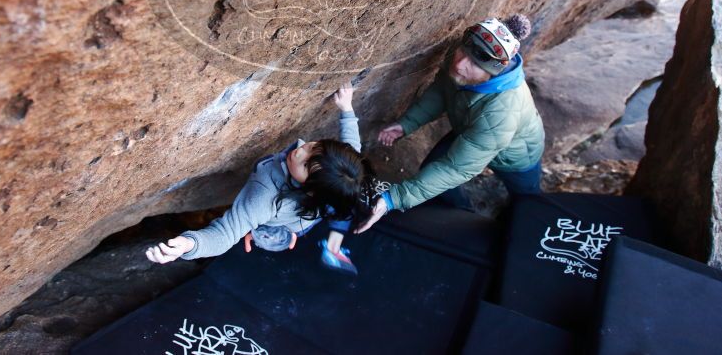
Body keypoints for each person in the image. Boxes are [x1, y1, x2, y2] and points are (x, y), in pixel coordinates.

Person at [145, 81, 377, 269]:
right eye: (314, 147)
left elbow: (227, 233)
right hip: (313, 208)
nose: (301, 151)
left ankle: (274, 237)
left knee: (269, 235)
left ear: (310, 187)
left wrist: (189, 244)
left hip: (284, 222)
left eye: (306, 164)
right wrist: (347, 109)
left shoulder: (265, 197)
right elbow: (352, 147)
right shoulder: (337, 174)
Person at [356, 14, 545, 233]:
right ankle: (462, 212)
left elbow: (455, 168)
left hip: (517, 156)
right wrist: (408, 123)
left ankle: (527, 228)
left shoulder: (501, 112)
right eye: (464, 51)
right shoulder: (463, 58)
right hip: (472, 131)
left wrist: (393, 199)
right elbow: (441, 91)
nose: (461, 63)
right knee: (432, 171)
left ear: (494, 73)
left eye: (476, 63)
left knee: (526, 197)